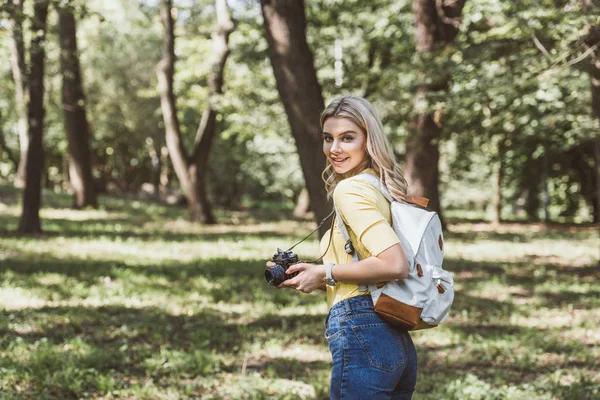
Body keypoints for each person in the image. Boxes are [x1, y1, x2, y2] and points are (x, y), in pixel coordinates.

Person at [276, 95, 418, 399]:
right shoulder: (380, 186)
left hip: (363, 330)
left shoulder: (351, 190)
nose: (334, 149)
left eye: (347, 138)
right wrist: (315, 276)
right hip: (395, 338)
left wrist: (325, 272)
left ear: (369, 140)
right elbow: (369, 264)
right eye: (329, 138)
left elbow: (394, 264)